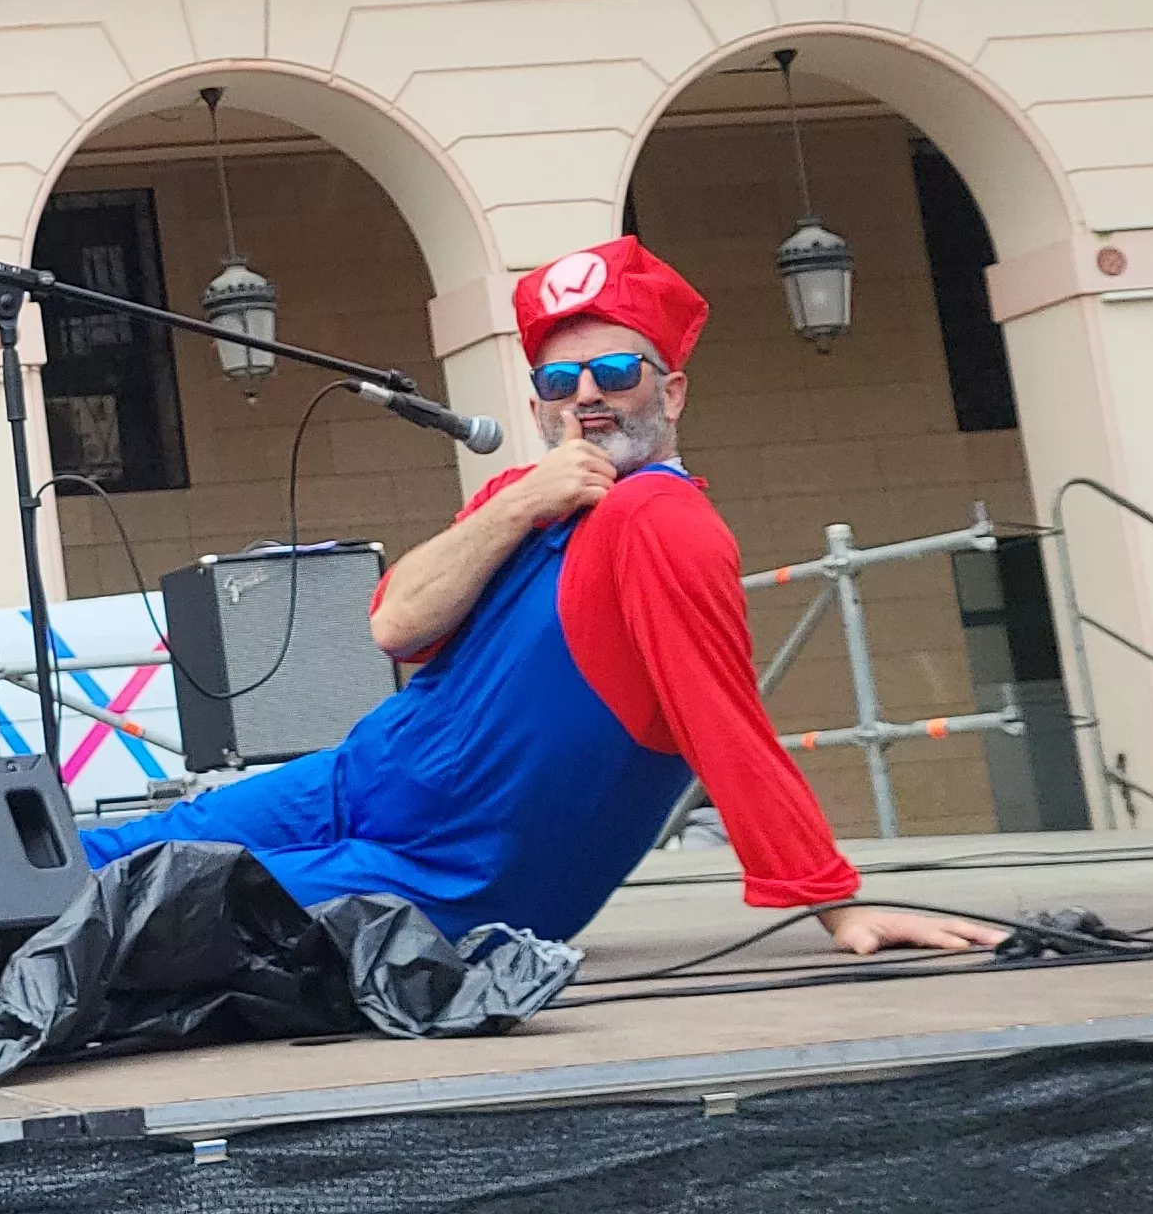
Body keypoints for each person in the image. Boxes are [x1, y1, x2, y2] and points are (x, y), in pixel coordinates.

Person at [80, 238, 1003, 956]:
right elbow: (396, 625)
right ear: (537, 407)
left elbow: (719, 713)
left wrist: (832, 900)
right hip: (354, 782)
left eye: (617, 372)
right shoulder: (519, 501)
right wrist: (520, 501)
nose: (588, 394)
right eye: (560, 381)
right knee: (114, 856)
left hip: (438, 872)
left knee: (155, 915)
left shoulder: (657, 519)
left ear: (671, 392)